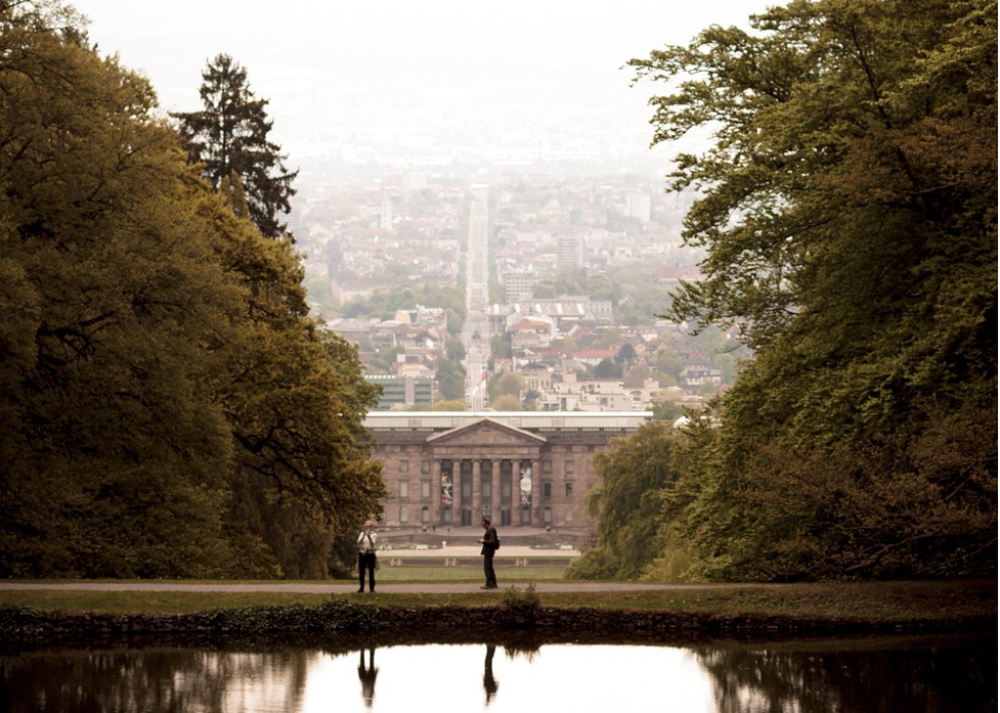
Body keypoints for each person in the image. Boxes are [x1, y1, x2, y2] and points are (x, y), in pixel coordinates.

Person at [357, 520, 378, 593]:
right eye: (367, 526)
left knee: (371, 572)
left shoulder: (374, 534)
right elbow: (358, 542)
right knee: (361, 571)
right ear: (364, 527)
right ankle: (361, 588)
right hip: (362, 553)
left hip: (370, 553)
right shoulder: (361, 533)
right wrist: (363, 536)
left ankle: (371, 589)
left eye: (370, 526)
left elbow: (372, 544)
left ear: (372, 527)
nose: (368, 527)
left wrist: (369, 536)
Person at [478, 517, 498, 589]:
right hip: (489, 551)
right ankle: (493, 583)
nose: (482, 526)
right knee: (490, 568)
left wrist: (483, 541)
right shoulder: (489, 530)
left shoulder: (491, 530)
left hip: (489, 551)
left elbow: (492, 541)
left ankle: (489, 584)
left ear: (487, 524)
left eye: (483, 525)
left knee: (487, 568)